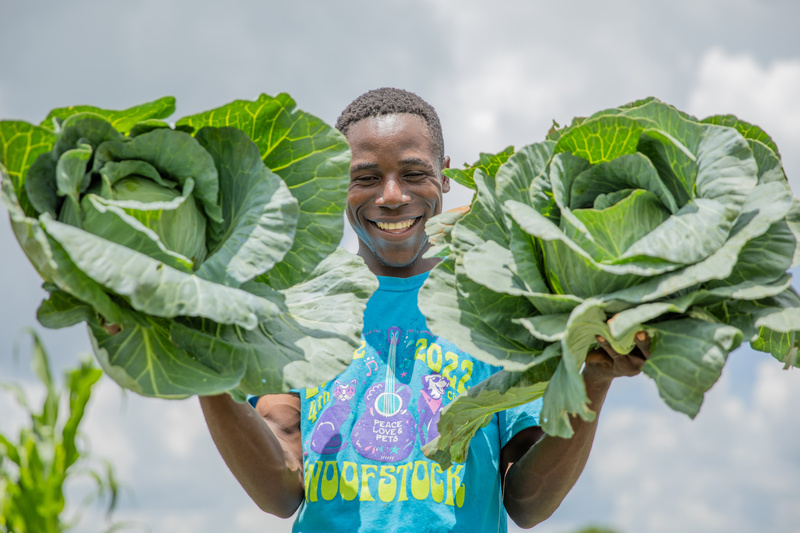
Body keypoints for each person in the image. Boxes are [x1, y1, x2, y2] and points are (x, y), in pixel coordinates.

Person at [199, 88, 651, 532]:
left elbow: (527, 503)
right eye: (366, 177)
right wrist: (203, 372)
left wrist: (595, 377)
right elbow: (280, 491)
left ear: (445, 174)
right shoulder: (297, 306)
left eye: (414, 174)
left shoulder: (496, 302)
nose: (392, 195)